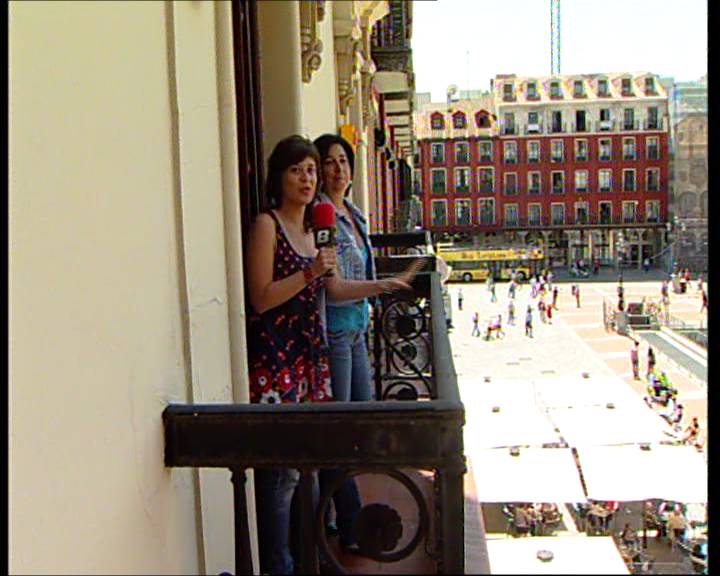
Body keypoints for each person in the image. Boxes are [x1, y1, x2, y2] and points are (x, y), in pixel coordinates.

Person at [246, 135, 417, 574]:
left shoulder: (314, 230)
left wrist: (383, 285)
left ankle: (310, 550)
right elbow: (261, 298)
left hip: (312, 358)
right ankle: (280, 564)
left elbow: (333, 287)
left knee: (308, 463)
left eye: (310, 171)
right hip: (278, 362)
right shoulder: (267, 225)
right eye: (296, 170)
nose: (307, 179)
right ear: (279, 177)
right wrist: (309, 273)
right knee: (281, 476)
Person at [313, 133, 422, 553]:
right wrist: (384, 285)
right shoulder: (322, 217)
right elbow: (334, 288)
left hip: (358, 330)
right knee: (340, 432)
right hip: (337, 333)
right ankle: (349, 523)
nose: (338, 169)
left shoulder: (353, 214)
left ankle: (337, 515)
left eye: (343, 160)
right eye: (329, 162)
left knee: (359, 425)